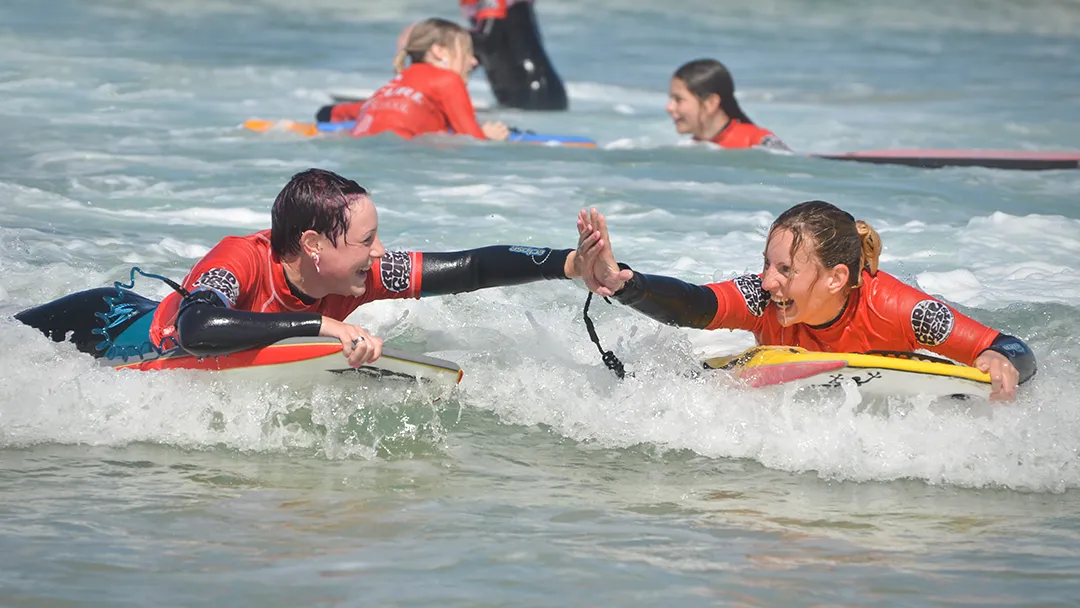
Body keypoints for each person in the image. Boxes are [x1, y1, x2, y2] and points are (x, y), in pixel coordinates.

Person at [15, 169, 586, 368]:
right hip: (101, 325)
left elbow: (472, 267)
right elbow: (196, 329)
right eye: (367, 239)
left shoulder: (357, 273)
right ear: (313, 244)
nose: (380, 252)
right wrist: (321, 326)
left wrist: (570, 263)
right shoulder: (241, 258)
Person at [572, 202, 1036, 401]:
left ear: (836, 278)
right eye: (767, 265)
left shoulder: (901, 309)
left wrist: (1000, 359)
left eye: (785, 270)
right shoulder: (763, 298)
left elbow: (1012, 348)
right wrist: (624, 283)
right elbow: (693, 305)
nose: (767, 280)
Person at [347, 18, 510, 141]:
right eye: (467, 51)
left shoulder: (394, 84)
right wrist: (487, 135)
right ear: (439, 51)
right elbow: (472, 140)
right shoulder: (448, 80)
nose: (473, 61)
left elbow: (343, 112)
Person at [460, 0, 568, 111]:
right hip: (516, 91)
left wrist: (450, 37)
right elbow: (493, 47)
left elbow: (488, 42)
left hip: (535, 92)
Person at [667, 59, 788, 151]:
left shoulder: (758, 142)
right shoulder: (687, 149)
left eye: (678, 99)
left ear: (711, 103)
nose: (669, 108)